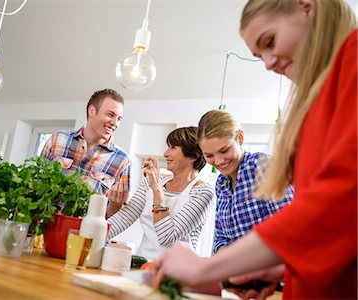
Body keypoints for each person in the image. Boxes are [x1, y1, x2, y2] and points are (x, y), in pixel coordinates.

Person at [153, 0, 357, 299]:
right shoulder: (325, 91)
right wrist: (279, 269)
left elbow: (340, 203)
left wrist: (203, 269)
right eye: (259, 54)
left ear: (306, 6)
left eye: (269, 41)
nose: (268, 63)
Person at [107, 127, 215, 261]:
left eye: (173, 148)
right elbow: (125, 217)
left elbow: (166, 238)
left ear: (193, 156)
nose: (165, 153)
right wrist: (89, 233)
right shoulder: (155, 180)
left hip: (176, 272)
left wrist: (157, 189)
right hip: (142, 264)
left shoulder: (204, 193)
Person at [197, 109, 293, 254]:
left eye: (224, 151)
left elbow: (291, 226)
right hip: (237, 272)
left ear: (240, 138)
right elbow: (221, 237)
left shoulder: (263, 167)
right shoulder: (221, 183)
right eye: (209, 155)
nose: (218, 161)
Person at [41, 88, 130, 216]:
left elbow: (114, 218)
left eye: (119, 119)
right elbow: (36, 181)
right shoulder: (58, 139)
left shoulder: (122, 160)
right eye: (111, 115)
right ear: (92, 111)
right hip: (44, 230)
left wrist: (116, 204)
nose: (115, 123)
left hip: (85, 234)